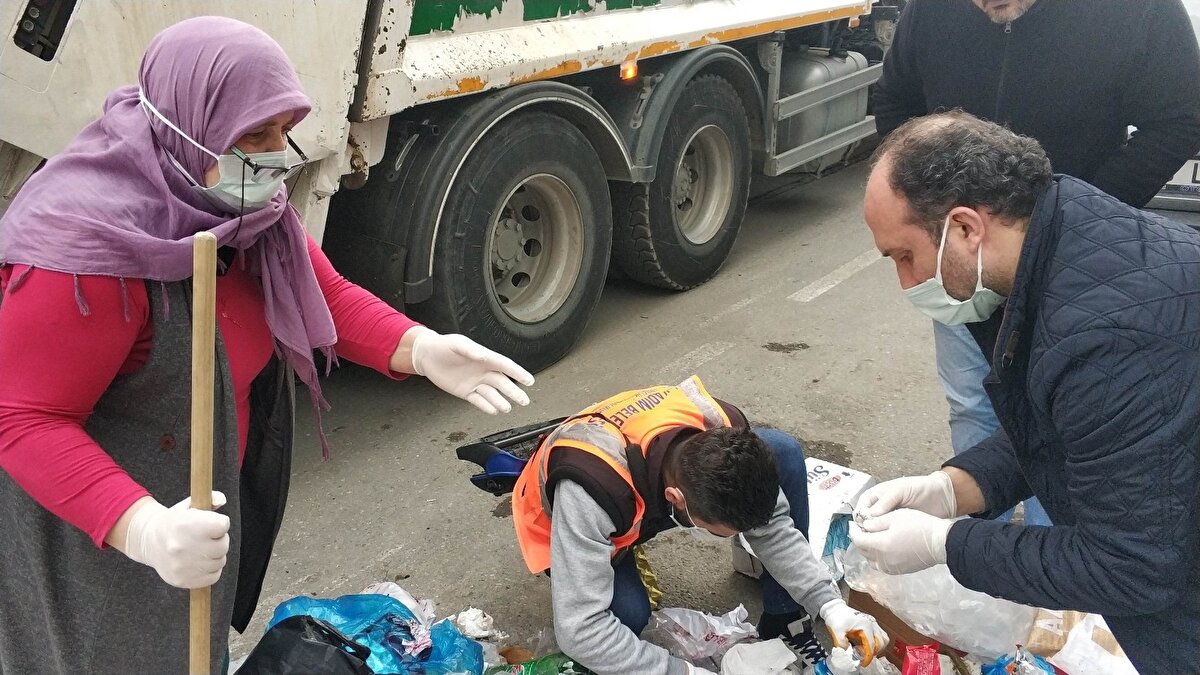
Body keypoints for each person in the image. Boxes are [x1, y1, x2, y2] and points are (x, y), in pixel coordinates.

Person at [0, 17, 535, 673]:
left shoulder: (246, 205)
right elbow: (24, 418)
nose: (277, 153)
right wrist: (143, 527)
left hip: (197, 519)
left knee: (192, 648)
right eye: (253, 134)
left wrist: (420, 347)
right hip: (97, 534)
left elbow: (323, 292)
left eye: (283, 128)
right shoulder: (84, 251)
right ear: (184, 126)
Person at [852, 111, 1200, 673]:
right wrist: (954, 488)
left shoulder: (1102, 336)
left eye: (905, 256)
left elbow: (1128, 567)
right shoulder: (1063, 235)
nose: (906, 283)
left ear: (966, 227)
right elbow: (1069, 428)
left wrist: (946, 544)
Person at [872, 0, 1200, 527]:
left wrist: (1073, 215)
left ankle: (1061, 558)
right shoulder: (931, 10)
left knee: (1074, 429)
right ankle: (989, 553)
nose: (986, 6)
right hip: (962, 261)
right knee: (976, 409)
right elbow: (893, 100)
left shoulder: (1138, 10)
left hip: (1073, 269)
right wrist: (926, 207)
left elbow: (1180, 118)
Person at [509, 376, 888, 674]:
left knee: (783, 451)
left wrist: (830, 605)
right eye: (726, 531)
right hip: (565, 513)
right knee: (625, 617)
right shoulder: (591, 492)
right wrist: (681, 671)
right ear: (676, 501)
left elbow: (771, 526)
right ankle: (622, 554)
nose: (746, 538)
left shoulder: (723, 429)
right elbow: (582, 631)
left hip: (644, 484)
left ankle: (786, 618)